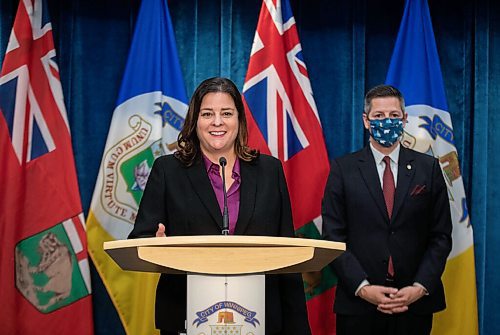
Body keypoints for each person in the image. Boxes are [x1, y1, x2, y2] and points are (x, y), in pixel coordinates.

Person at [128, 77, 311, 335]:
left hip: (261, 317)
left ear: (239, 119)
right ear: (195, 120)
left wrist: (298, 328)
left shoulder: (270, 171)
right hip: (186, 314)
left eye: (226, 113)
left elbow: (287, 254)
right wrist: (157, 245)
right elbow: (140, 237)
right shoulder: (168, 170)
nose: (217, 122)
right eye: (207, 114)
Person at [322, 85, 452, 335]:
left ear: (404, 119)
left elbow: (441, 236)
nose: (387, 122)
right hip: (358, 305)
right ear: (366, 121)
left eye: (394, 116)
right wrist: (362, 287)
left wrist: (420, 286)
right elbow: (333, 237)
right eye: (379, 116)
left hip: (414, 305)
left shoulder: (429, 168)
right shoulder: (343, 169)